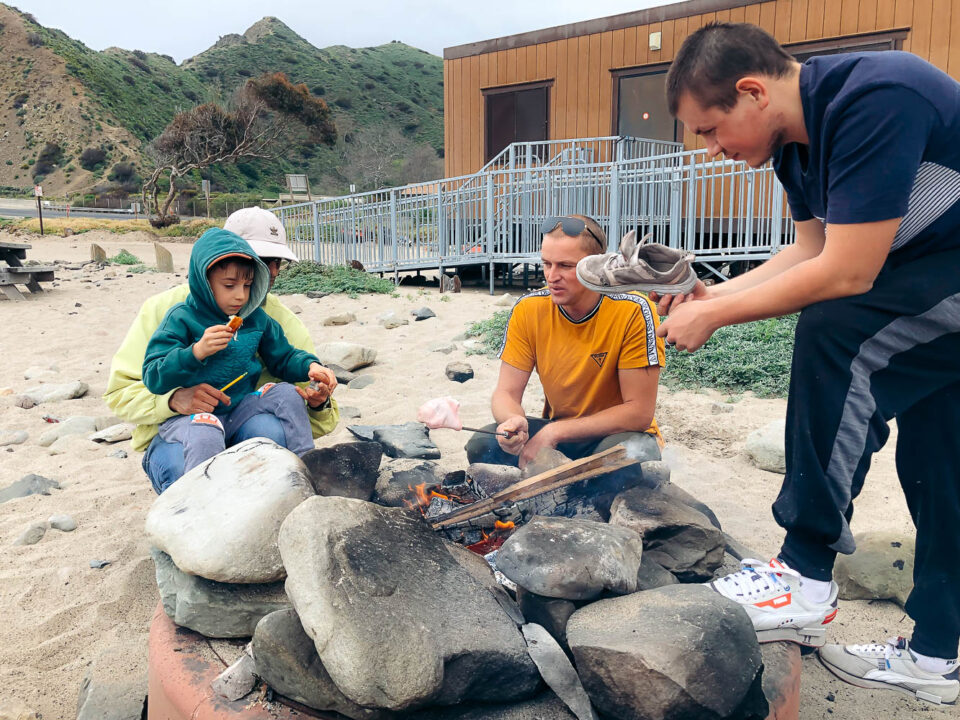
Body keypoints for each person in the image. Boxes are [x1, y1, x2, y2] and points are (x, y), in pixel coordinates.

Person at [639, 22, 959, 704]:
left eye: (710, 129)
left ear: (752, 91)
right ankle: (934, 658)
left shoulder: (877, 98)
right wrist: (714, 295)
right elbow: (810, 251)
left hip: (945, 274)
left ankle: (805, 574)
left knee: (838, 335)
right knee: (941, 464)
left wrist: (716, 316)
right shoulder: (794, 146)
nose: (713, 149)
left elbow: (845, 274)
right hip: (931, 282)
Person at [104, 207, 339, 493]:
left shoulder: (275, 320)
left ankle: (296, 484)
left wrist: (317, 398)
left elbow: (312, 407)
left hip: (245, 420)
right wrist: (173, 399)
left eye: (277, 261)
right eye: (261, 260)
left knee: (273, 435)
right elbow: (120, 394)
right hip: (183, 433)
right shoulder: (168, 312)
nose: (272, 271)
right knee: (186, 462)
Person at [465, 214, 665, 469]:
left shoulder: (633, 310)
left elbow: (638, 413)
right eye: (547, 263)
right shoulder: (529, 309)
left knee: (633, 457)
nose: (552, 276)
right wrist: (513, 421)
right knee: (484, 445)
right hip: (559, 431)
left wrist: (554, 433)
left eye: (566, 266)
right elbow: (505, 392)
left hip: (614, 434)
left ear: (597, 265)